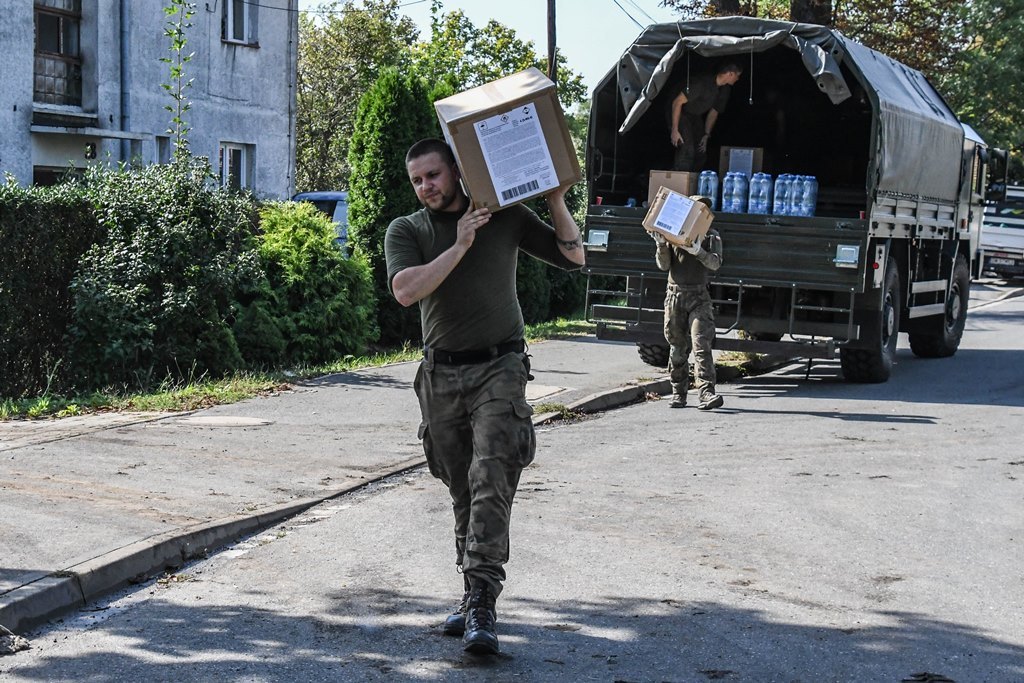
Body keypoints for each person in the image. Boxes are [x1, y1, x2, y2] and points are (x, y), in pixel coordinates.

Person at [384, 138, 585, 655]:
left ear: (456, 170)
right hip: (441, 375)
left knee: (492, 477)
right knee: (462, 489)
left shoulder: (505, 217)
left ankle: (481, 600)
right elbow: (405, 291)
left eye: (433, 175)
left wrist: (556, 199)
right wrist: (459, 245)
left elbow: (573, 256)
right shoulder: (408, 229)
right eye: (417, 180)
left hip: (500, 367)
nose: (426, 187)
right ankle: (470, 590)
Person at [652, 196, 724, 410]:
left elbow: (715, 263)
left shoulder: (711, 236)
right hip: (674, 296)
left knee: (701, 345)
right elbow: (663, 265)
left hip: (699, 297)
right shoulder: (673, 234)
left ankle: (706, 393)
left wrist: (699, 252)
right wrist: (661, 245)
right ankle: (678, 393)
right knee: (677, 348)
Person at [667, 62, 743, 171]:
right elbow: (677, 102)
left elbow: (714, 112)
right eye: (737, 75)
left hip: (694, 115)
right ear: (730, 74)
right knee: (687, 147)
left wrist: (706, 134)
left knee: (700, 148)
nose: (738, 79)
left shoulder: (724, 89)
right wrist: (675, 129)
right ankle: (680, 178)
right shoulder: (701, 83)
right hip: (680, 112)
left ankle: (696, 178)